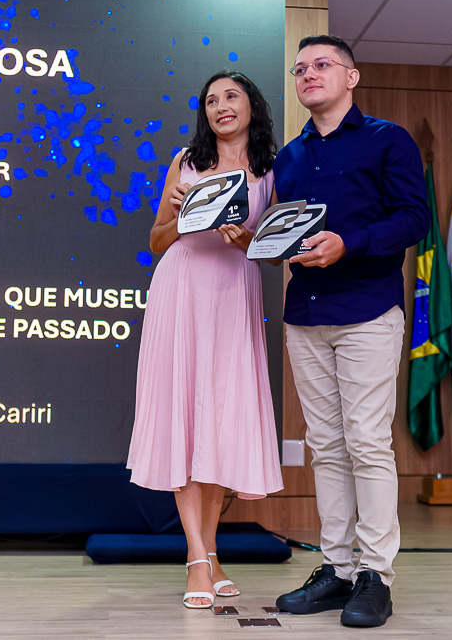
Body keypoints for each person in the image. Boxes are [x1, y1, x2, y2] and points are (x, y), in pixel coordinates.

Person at [272, 35, 429, 628]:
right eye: (300, 69)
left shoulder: (389, 139)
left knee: (367, 442)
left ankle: (376, 576)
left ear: (351, 76)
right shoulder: (288, 157)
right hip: (306, 314)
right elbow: (284, 230)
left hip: (367, 311)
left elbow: (414, 219)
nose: (309, 74)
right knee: (327, 446)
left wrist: (350, 243)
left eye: (322, 65)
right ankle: (336, 569)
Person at [127, 71, 284, 609]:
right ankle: (197, 557)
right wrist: (183, 217)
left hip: (234, 294)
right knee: (187, 419)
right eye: (211, 100)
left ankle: (210, 552)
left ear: (251, 105)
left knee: (219, 423)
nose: (221, 106)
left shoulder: (271, 169)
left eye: (231, 96)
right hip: (183, 290)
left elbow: (275, 251)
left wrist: (247, 240)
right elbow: (156, 241)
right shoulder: (186, 160)